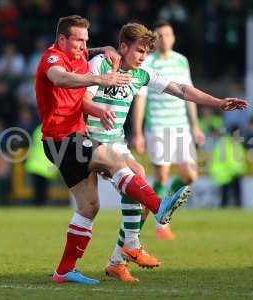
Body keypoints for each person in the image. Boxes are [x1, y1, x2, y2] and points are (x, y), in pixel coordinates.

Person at [82, 22, 248, 283]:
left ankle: (117, 261)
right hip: (89, 142)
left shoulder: (142, 74)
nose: (143, 57)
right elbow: (83, 99)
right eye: (139, 51)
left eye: (147, 52)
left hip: (115, 142)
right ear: (123, 47)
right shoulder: (102, 64)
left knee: (139, 197)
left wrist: (218, 102)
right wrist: (100, 111)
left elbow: (181, 89)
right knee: (135, 180)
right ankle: (135, 241)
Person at [35, 15, 192, 285]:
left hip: (69, 139)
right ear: (62, 39)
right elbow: (60, 79)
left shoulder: (80, 55)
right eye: (79, 40)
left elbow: (90, 53)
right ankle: (159, 207)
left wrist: (103, 48)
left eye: (86, 40)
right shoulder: (52, 59)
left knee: (89, 206)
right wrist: (100, 79)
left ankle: (64, 271)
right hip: (64, 138)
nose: (84, 45)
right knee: (117, 162)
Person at [132, 21, 205, 241]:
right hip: (158, 126)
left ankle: (163, 209)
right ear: (155, 39)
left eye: (168, 34)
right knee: (162, 176)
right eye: (160, 35)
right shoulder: (148, 63)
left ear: (173, 37)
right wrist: (137, 132)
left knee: (190, 176)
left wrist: (195, 125)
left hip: (181, 126)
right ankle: (160, 223)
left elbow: (188, 95)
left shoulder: (181, 61)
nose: (165, 39)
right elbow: (141, 101)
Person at [25, 124, 59, 206]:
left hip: (34, 164)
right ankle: (41, 205)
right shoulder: (54, 129)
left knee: (37, 190)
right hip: (46, 166)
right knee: (43, 191)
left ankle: (38, 206)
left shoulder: (37, 129)